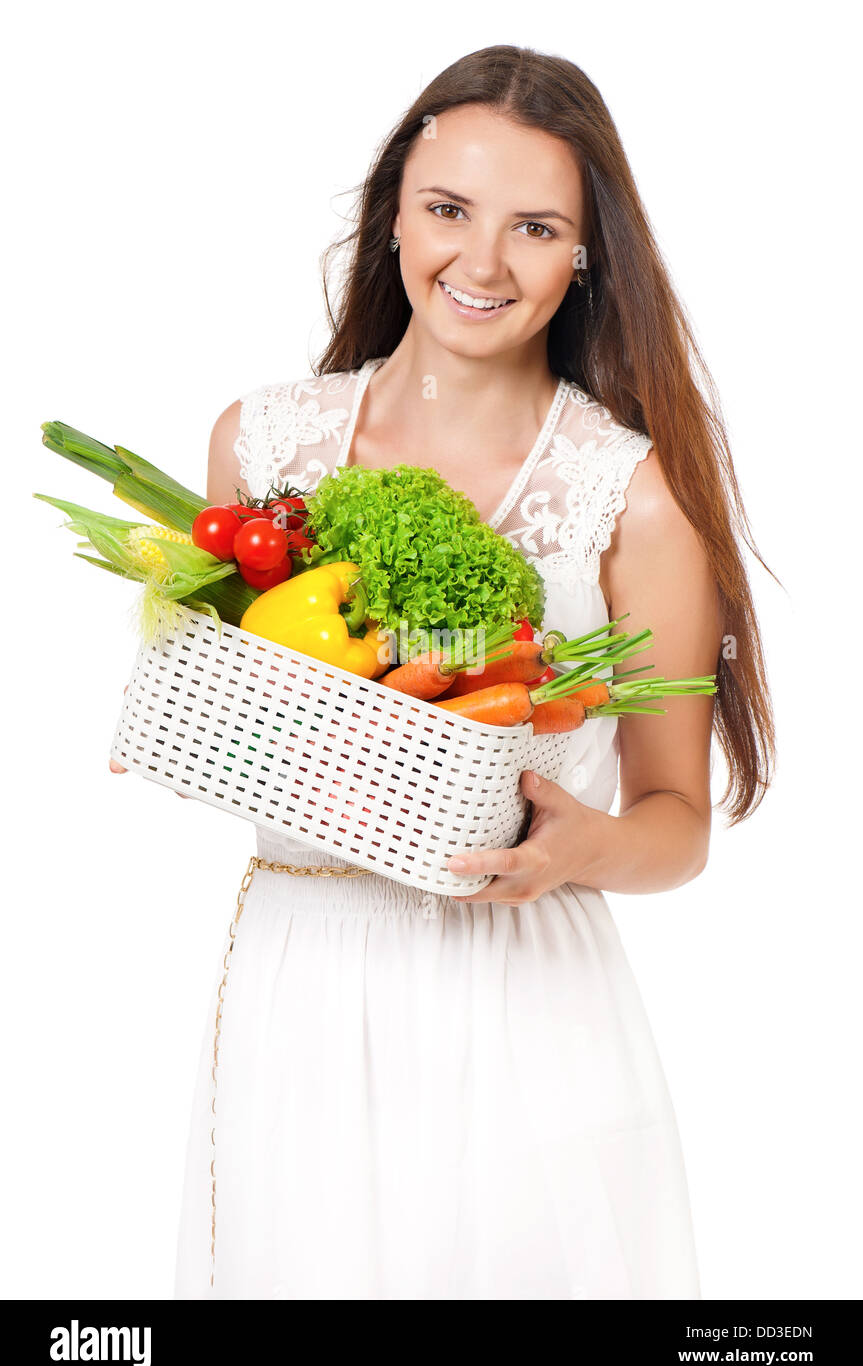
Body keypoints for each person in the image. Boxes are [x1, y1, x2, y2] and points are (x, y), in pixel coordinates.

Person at [115, 45, 776, 1299]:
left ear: (585, 255)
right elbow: (245, 707)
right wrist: (170, 708)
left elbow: (676, 824)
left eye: (534, 227)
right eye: (447, 210)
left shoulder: (632, 500)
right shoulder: (259, 445)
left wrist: (576, 849)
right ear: (393, 215)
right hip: (299, 979)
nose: (479, 264)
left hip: (522, 994)